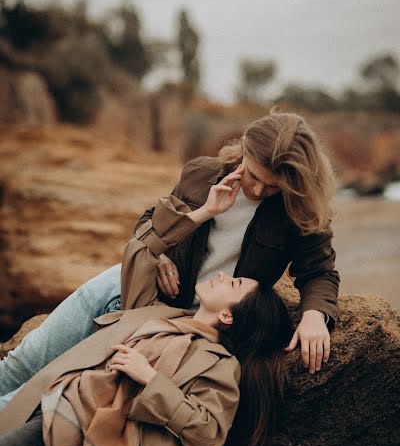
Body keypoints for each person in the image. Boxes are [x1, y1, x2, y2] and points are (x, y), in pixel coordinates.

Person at [0, 177, 293, 446]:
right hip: (50, 397)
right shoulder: (160, 312)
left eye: (233, 285)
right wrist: (204, 212)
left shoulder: (219, 363)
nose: (222, 275)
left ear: (229, 318)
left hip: (74, 424)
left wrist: (150, 378)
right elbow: (141, 250)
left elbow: (207, 431)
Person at [0, 110, 339, 413]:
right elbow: (149, 221)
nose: (257, 188)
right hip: (129, 288)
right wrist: (161, 253)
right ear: (245, 152)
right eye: (253, 175)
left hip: (183, 327)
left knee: (48, 393)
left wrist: (314, 315)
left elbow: (320, 271)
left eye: (271, 186)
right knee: (24, 362)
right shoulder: (200, 174)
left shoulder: (299, 210)